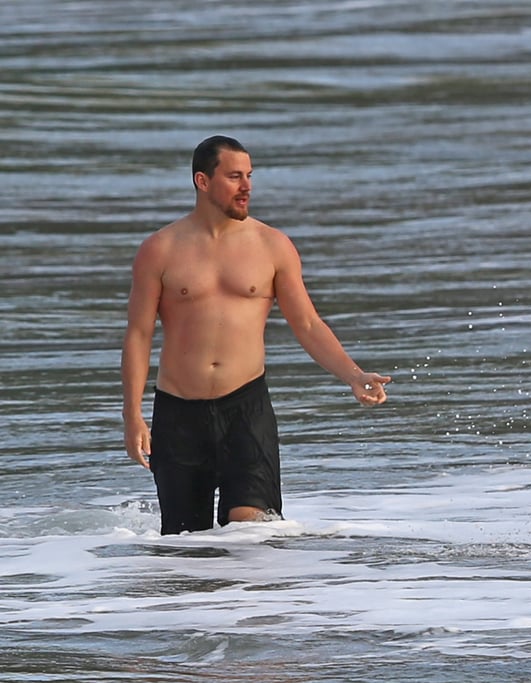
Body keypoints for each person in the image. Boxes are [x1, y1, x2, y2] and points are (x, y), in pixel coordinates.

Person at [121, 135, 391, 535]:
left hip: (246, 409)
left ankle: (256, 601)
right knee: (185, 546)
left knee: (251, 531)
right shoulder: (159, 250)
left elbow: (309, 324)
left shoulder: (273, 246)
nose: (247, 186)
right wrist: (132, 415)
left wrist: (352, 375)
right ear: (203, 181)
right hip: (178, 414)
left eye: (249, 175)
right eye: (234, 176)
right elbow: (139, 334)